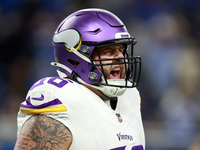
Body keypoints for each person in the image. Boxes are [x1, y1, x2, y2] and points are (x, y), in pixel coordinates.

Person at [14, 8, 145, 150]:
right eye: (109, 51)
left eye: (121, 50)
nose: (120, 58)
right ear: (76, 59)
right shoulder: (62, 100)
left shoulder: (130, 97)